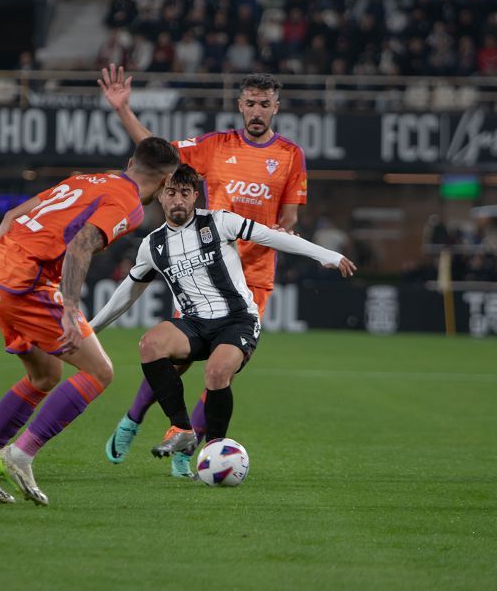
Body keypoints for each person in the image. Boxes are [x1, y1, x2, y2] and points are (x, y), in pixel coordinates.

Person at [99, 65, 308, 476]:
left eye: (265, 104)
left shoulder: (290, 156)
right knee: (175, 361)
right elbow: (155, 153)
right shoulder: (214, 146)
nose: (257, 111)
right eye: (250, 103)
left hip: (254, 278)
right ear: (239, 105)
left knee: (221, 369)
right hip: (203, 271)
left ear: (276, 107)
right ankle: (133, 419)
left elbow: (289, 217)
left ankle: (184, 451)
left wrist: (287, 228)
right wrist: (123, 110)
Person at [0, 137, 179, 506]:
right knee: (99, 371)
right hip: (28, 283)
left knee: (44, 376)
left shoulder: (85, 180)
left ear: (130, 160)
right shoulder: (129, 204)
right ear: (167, 181)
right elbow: (80, 245)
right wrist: (70, 307)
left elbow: (12, 217)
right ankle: (20, 454)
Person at [88, 165, 355, 474]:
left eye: (185, 194)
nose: (178, 200)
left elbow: (272, 237)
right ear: (161, 196)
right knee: (150, 344)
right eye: (171, 193)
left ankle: (214, 450)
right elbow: (127, 293)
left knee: (216, 373)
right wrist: (90, 329)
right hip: (194, 323)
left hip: (237, 320)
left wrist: (326, 255)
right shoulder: (153, 245)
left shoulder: (220, 222)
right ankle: (181, 430)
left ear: (194, 197)